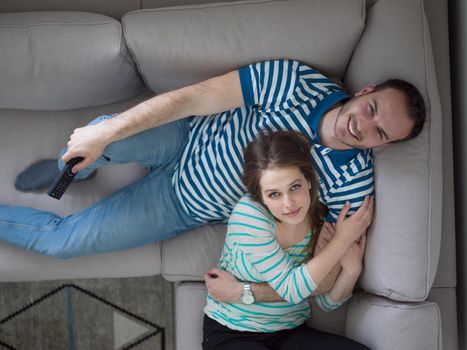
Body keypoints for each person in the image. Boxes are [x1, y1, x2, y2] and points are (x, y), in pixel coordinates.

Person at [2, 59, 425, 259]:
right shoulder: (296, 82)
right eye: (371, 111)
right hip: (182, 137)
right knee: (83, 146)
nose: (363, 128)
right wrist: (105, 133)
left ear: (383, 146)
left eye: (380, 133)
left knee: (60, 244)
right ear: (366, 92)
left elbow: (318, 250)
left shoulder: (354, 185)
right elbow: (196, 97)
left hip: (186, 204)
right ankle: (73, 173)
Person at [202, 130, 373, 350]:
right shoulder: (249, 216)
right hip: (232, 332)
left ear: (309, 179)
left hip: (289, 332)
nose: (289, 204)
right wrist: (342, 240)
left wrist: (352, 270)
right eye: (274, 194)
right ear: (261, 197)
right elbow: (293, 289)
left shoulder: (319, 218)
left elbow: (326, 300)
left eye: (295, 187)